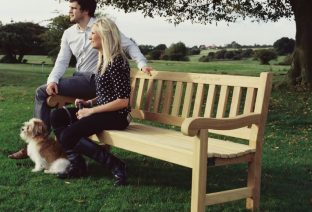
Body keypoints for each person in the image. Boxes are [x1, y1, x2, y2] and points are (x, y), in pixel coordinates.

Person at [8, 0, 152, 159]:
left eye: (73, 8)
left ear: (85, 11)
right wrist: (53, 80)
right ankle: (49, 146)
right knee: (48, 94)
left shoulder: (101, 27)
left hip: (95, 80)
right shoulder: (68, 33)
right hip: (80, 79)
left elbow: (129, 45)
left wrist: (142, 64)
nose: (69, 11)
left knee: (41, 92)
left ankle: (38, 141)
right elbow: (62, 61)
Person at [50, 16, 131, 185]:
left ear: (104, 36)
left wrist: (91, 111)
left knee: (68, 136)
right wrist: (89, 103)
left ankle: (116, 165)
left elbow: (123, 101)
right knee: (57, 116)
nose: (89, 37)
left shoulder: (117, 62)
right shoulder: (103, 60)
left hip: (117, 116)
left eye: (93, 33)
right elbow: (106, 95)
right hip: (103, 111)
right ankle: (78, 166)